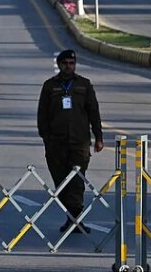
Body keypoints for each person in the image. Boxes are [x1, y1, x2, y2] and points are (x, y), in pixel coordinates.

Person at [37, 49, 104, 233]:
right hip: (56, 144)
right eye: (65, 63)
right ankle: (71, 217)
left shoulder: (84, 85)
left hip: (79, 142)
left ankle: (76, 219)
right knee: (61, 182)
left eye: (71, 63)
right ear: (59, 65)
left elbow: (93, 112)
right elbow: (42, 115)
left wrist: (98, 137)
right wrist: (47, 138)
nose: (68, 66)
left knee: (76, 181)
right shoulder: (50, 86)